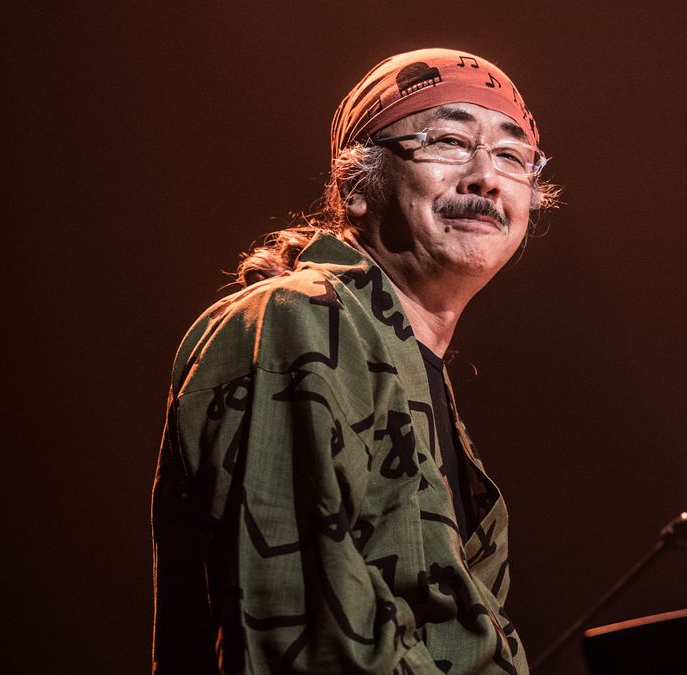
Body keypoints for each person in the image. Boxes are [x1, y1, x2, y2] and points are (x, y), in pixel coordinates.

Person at [151, 48, 559, 674]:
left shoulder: (410, 367)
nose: (486, 178)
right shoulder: (296, 320)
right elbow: (306, 638)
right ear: (355, 188)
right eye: (448, 140)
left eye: (511, 156)